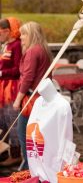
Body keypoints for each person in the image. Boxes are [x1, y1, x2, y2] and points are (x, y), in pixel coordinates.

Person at [12, 21, 52, 170]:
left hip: (31, 101)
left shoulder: (33, 51)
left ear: (32, 35)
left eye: (24, 34)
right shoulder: (42, 49)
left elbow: (28, 78)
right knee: (37, 138)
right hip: (42, 99)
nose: (21, 37)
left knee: (25, 137)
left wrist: (17, 101)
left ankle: (28, 170)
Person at [0, 18, 22, 166]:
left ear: (8, 31)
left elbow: (18, 69)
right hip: (3, 89)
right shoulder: (6, 45)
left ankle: (15, 155)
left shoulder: (17, 45)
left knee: (12, 121)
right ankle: (3, 152)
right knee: (3, 121)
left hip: (12, 89)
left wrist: (1, 73)